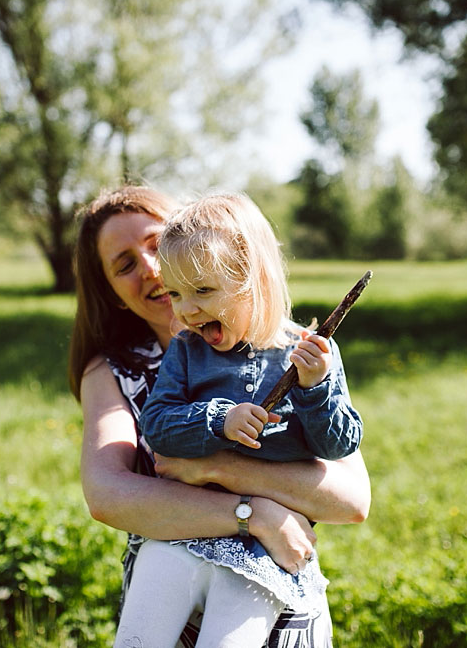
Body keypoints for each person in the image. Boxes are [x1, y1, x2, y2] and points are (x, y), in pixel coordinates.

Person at [69, 185, 371, 647]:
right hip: (175, 556)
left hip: (270, 565)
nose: (150, 269)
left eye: (155, 244)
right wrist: (253, 510)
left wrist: (220, 467)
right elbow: (108, 495)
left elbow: (350, 498)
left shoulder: (302, 352)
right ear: (110, 291)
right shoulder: (124, 368)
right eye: (125, 264)